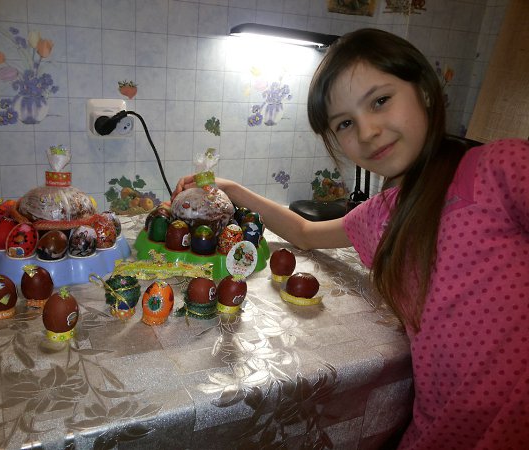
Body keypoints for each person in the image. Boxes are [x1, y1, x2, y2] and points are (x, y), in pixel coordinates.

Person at [173, 28, 529, 449]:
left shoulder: (497, 169)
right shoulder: (382, 216)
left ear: (424, 91)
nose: (367, 131)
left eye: (380, 100)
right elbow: (304, 233)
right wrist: (234, 189)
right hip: (441, 431)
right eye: (345, 123)